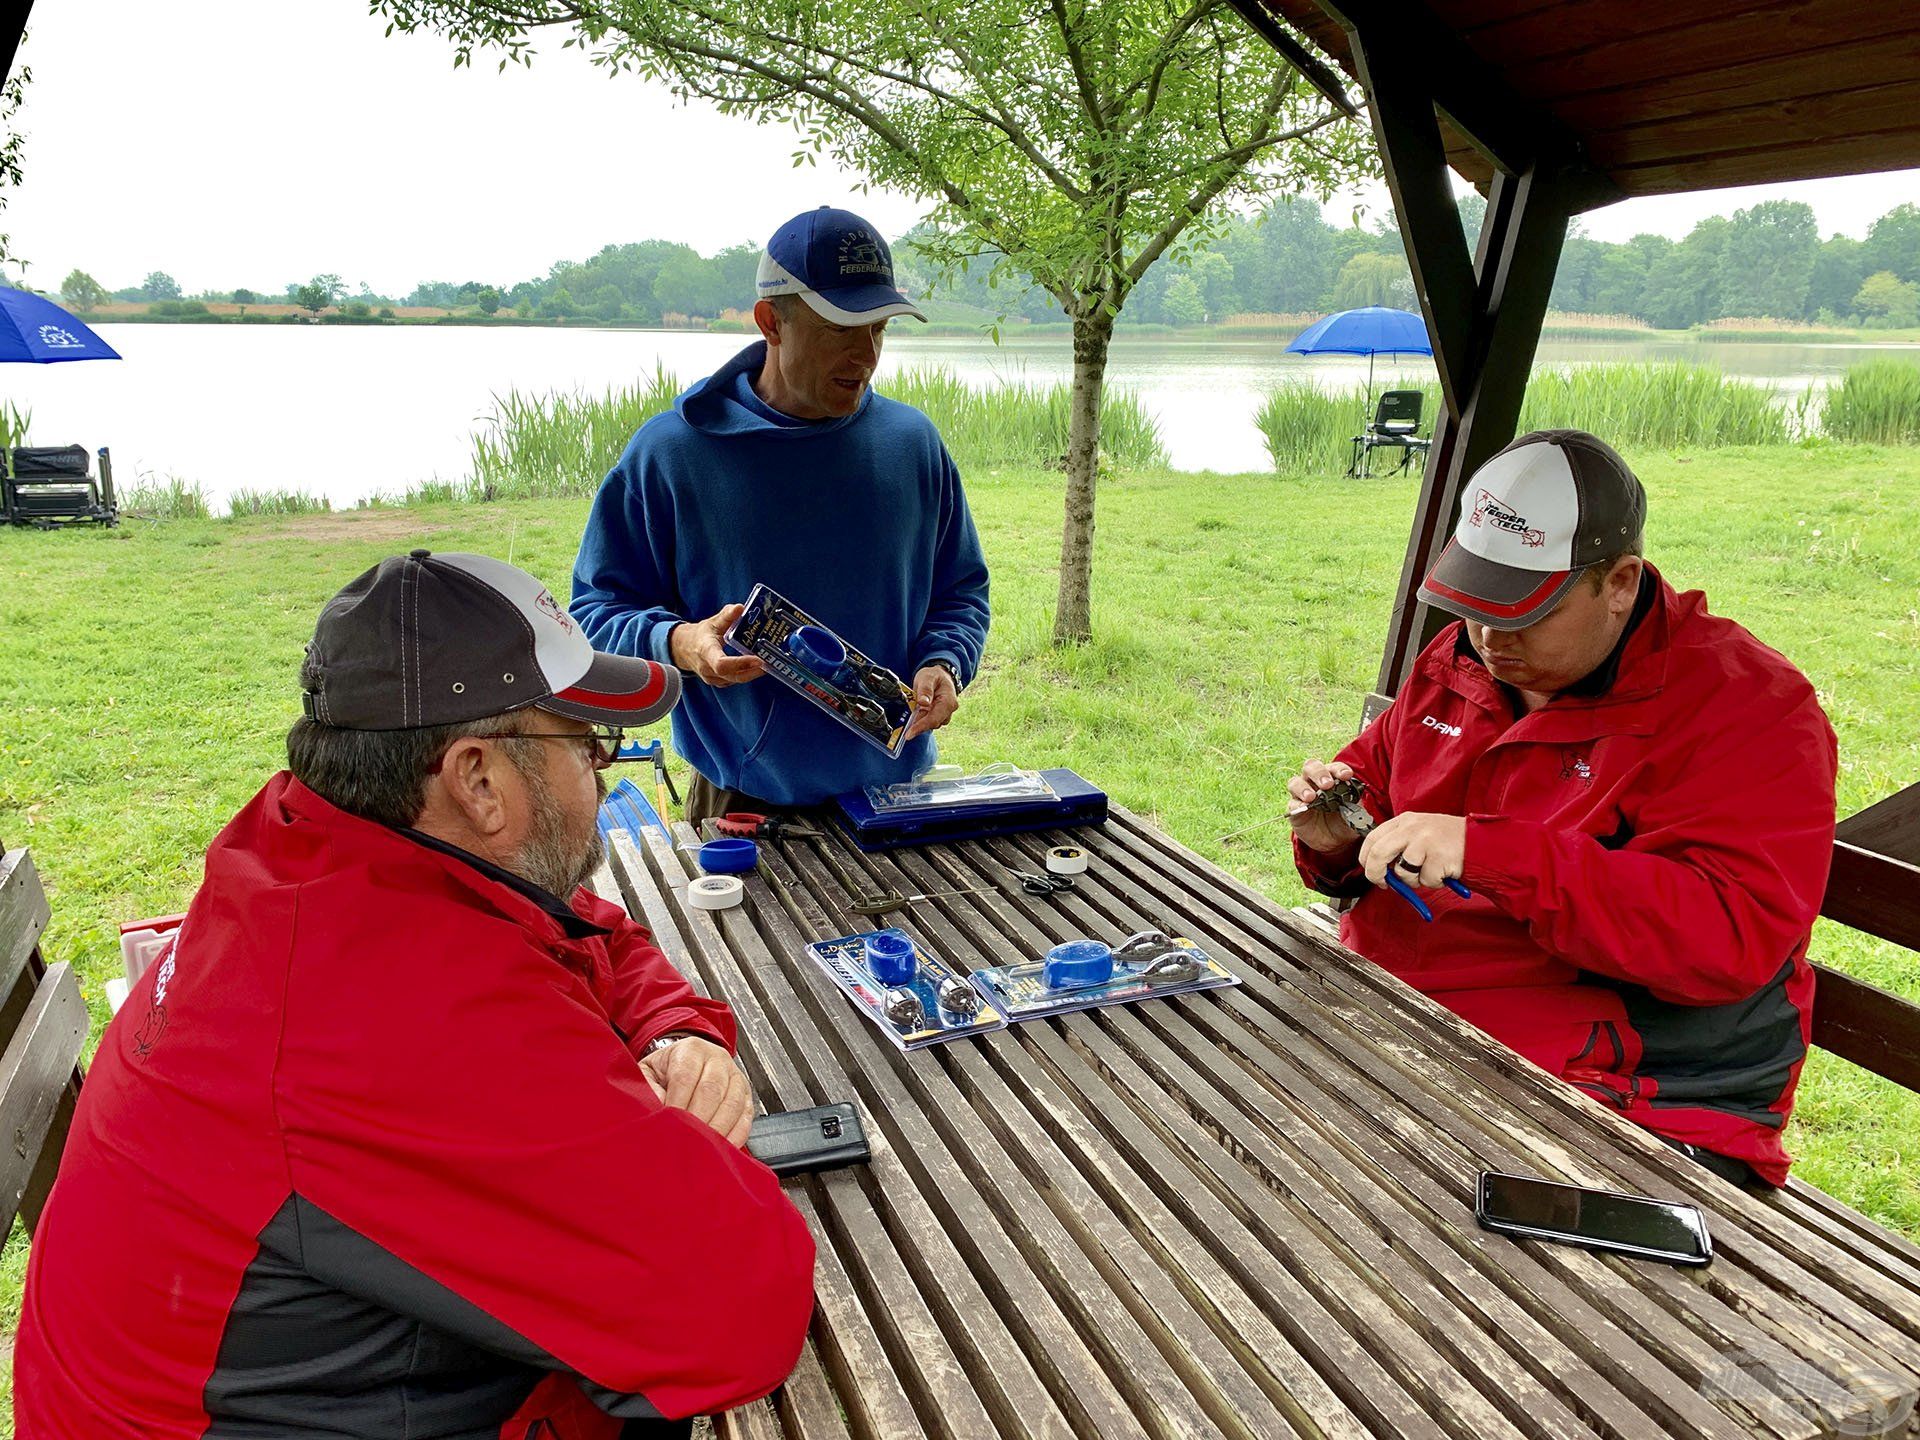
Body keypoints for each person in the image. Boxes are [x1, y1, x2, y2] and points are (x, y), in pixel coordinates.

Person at [15, 551, 815, 1438]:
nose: (603, 773)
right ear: (476, 780)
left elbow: (586, 927)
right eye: (585, 745)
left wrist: (674, 1027)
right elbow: (737, 1314)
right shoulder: (406, 1014)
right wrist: (684, 1151)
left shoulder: (308, 851)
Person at [1290, 430, 1838, 1188]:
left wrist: (1495, 854)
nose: (1488, 636)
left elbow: (1729, 938)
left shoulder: (1747, 707)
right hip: (1407, 1016)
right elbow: (1377, 783)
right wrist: (1339, 837)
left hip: (1620, 1098)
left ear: (1619, 582)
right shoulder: (1462, 656)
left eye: (1523, 611)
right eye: (1475, 604)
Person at [570, 205, 991, 821]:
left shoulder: (912, 444)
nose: (866, 355)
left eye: (878, 328)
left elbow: (962, 592)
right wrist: (682, 642)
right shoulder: (672, 454)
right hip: (742, 806)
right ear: (772, 321)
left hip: (902, 799)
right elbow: (592, 614)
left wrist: (943, 661)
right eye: (841, 329)